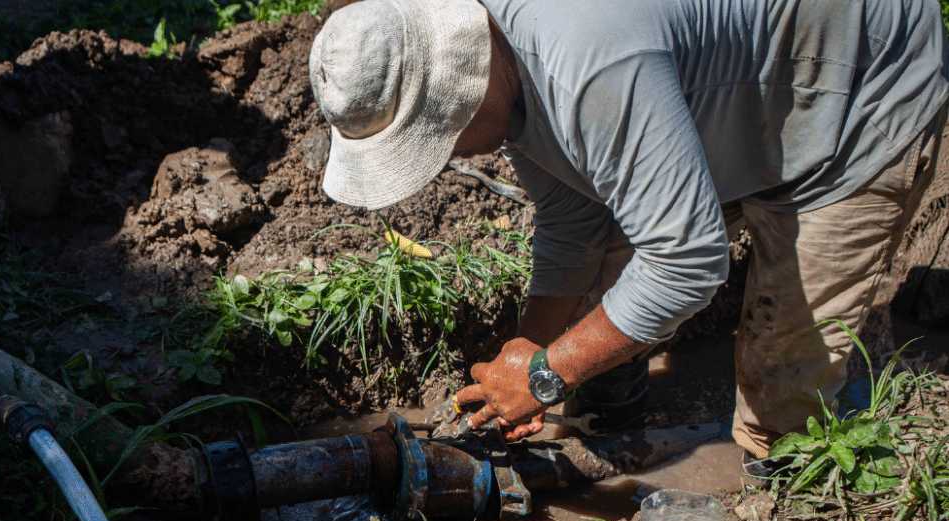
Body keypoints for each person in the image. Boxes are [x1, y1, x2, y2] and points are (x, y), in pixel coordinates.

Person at [308, 0, 949, 471]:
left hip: (858, 90)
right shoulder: (503, 67)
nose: (448, 157)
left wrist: (547, 375)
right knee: (606, 275)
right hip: (737, 86)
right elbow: (574, 220)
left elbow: (689, 262)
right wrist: (531, 347)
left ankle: (787, 496)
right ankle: (614, 412)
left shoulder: (586, 67)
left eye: (440, 140)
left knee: (782, 421)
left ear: (464, 91)